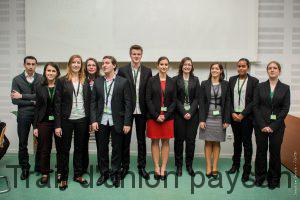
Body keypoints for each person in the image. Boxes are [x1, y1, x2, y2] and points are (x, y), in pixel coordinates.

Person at [91, 56, 132, 188]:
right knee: (101, 148)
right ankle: (104, 173)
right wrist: (93, 120)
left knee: (117, 148)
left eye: (107, 63)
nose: (104, 65)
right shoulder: (97, 82)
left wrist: (127, 123)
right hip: (101, 120)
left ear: (114, 65)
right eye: (103, 63)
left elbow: (128, 104)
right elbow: (93, 103)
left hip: (118, 121)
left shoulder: (123, 82)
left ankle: (115, 173)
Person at [54, 55, 91, 190]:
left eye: (78, 62)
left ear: (81, 65)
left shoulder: (85, 80)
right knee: (65, 149)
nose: (76, 64)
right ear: (69, 64)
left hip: (82, 119)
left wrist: (90, 121)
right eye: (74, 62)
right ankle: (63, 177)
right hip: (66, 120)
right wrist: (57, 125)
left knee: (79, 148)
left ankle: (77, 175)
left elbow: (89, 101)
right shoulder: (62, 81)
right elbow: (57, 104)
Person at [253, 61, 290, 189]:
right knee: (261, 152)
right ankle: (260, 177)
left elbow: (285, 109)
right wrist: (263, 125)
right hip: (260, 126)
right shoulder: (260, 86)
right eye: (270, 68)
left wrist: (273, 126)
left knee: (275, 152)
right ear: (267, 71)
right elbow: (255, 107)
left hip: (277, 127)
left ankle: (274, 179)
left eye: (275, 68)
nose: (272, 70)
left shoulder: (285, 88)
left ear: (279, 71)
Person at [118, 45, 152, 180]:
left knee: (141, 140)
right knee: (125, 140)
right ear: (130, 55)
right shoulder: (122, 70)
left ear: (141, 55)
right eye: (134, 54)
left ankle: (141, 167)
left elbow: (149, 93)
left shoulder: (148, 71)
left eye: (138, 54)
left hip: (142, 111)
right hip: (127, 110)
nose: (136, 56)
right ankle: (124, 167)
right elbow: (120, 93)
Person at [227, 58, 259, 182]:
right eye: (239, 66)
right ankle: (235, 165)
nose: (241, 68)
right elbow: (228, 98)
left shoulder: (254, 81)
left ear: (248, 67)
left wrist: (243, 114)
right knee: (237, 142)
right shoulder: (232, 80)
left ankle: (247, 169)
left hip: (247, 117)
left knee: (247, 143)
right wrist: (233, 112)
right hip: (234, 116)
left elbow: (254, 101)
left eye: (243, 66)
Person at [11, 56, 42, 180]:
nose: (30, 66)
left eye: (33, 64)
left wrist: (22, 96)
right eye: (28, 64)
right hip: (23, 115)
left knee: (41, 142)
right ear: (24, 65)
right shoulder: (17, 80)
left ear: (36, 65)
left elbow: (40, 97)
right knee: (23, 143)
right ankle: (25, 168)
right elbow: (14, 100)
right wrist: (33, 101)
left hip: (39, 115)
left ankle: (39, 166)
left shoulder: (41, 78)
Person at [146, 56, 176, 180]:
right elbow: (148, 99)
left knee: (165, 141)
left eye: (166, 64)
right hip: (154, 117)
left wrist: (165, 115)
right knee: (154, 141)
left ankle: (163, 168)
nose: (164, 66)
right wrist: (156, 115)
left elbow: (174, 101)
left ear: (168, 67)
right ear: (157, 66)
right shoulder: (151, 80)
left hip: (167, 118)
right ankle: (156, 168)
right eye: (161, 64)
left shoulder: (172, 81)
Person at [199, 63, 231, 179]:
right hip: (207, 116)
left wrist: (227, 119)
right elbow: (201, 103)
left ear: (221, 71)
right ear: (210, 70)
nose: (214, 70)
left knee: (217, 142)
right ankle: (208, 166)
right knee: (208, 142)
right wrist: (201, 120)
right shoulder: (204, 83)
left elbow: (228, 102)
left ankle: (215, 167)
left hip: (220, 117)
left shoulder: (226, 84)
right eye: (212, 68)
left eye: (217, 68)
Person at [33, 62, 61, 184]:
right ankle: (44, 172)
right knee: (45, 148)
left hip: (59, 122)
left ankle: (61, 171)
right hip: (43, 122)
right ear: (45, 72)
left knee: (61, 149)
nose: (50, 73)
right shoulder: (39, 86)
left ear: (57, 73)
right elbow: (37, 107)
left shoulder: (61, 86)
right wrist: (35, 126)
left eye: (53, 71)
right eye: (48, 70)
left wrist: (59, 124)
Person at [173, 57, 200, 177]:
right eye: (185, 64)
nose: (187, 66)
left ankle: (189, 165)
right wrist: (184, 112)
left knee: (190, 142)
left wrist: (190, 112)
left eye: (189, 64)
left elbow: (197, 98)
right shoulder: (175, 79)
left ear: (192, 66)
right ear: (181, 66)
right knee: (178, 141)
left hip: (193, 115)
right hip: (179, 115)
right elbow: (175, 99)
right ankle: (179, 166)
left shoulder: (196, 80)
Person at [82, 57, 100, 173]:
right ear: (86, 67)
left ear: (97, 67)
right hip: (84, 115)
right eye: (89, 65)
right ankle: (83, 166)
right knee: (83, 142)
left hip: (98, 116)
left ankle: (101, 164)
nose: (91, 67)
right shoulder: (82, 80)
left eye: (93, 65)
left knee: (101, 142)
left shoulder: (102, 79)